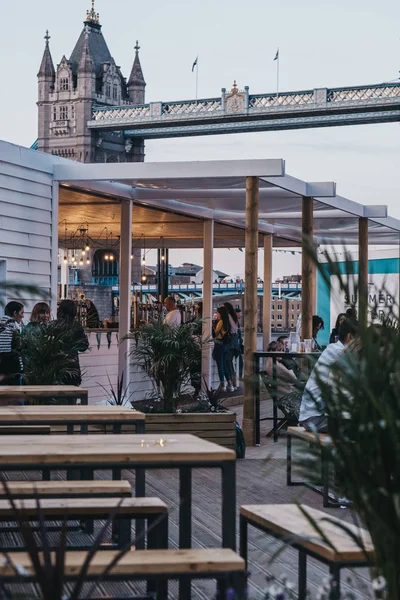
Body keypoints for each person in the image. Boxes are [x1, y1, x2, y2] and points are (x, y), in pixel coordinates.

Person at [299, 318, 357, 432]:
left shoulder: (332, 348)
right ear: (350, 337)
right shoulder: (341, 354)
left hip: (309, 416)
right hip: (317, 419)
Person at [56, 300, 89, 386]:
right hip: (72, 366)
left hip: (55, 366)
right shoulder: (76, 326)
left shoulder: (53, 325)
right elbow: (84, 346)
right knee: (71, 395)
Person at [0, 301, 24, 385]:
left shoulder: (2, 324)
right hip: (10, 368)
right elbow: (6, 351)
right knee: (13, 395)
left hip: (4, 366)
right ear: (15, 313)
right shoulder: (10, 326)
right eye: (22, 313)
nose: (23, 316)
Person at [213, 306, 234, 392]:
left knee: (220, 365)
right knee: (224, 364)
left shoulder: (220, 322)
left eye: (218, 313)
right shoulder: (228, 322)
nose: (217, 314)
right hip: (226, 345)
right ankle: (230, 384)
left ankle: (222, 384)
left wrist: (213, 325)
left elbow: (216, 333)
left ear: (220, 313)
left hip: (219, 344)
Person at [224, 302, 240, 389]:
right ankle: (234, 381)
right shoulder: (234, 318)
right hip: (235, 344)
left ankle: (231, 382)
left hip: (230, 343)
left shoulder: (227, 317)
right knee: (230, 362)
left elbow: (227, 329)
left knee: (227, 362)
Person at [235, 307, 244, 380]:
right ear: (236, 313)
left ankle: (238, 378)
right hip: (236, 346)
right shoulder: (235, 322)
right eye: (240, 313)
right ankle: (239, 379)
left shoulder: (236, 322)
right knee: (240, 363)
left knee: (239, 363)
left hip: (238, 346)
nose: (241, 315)